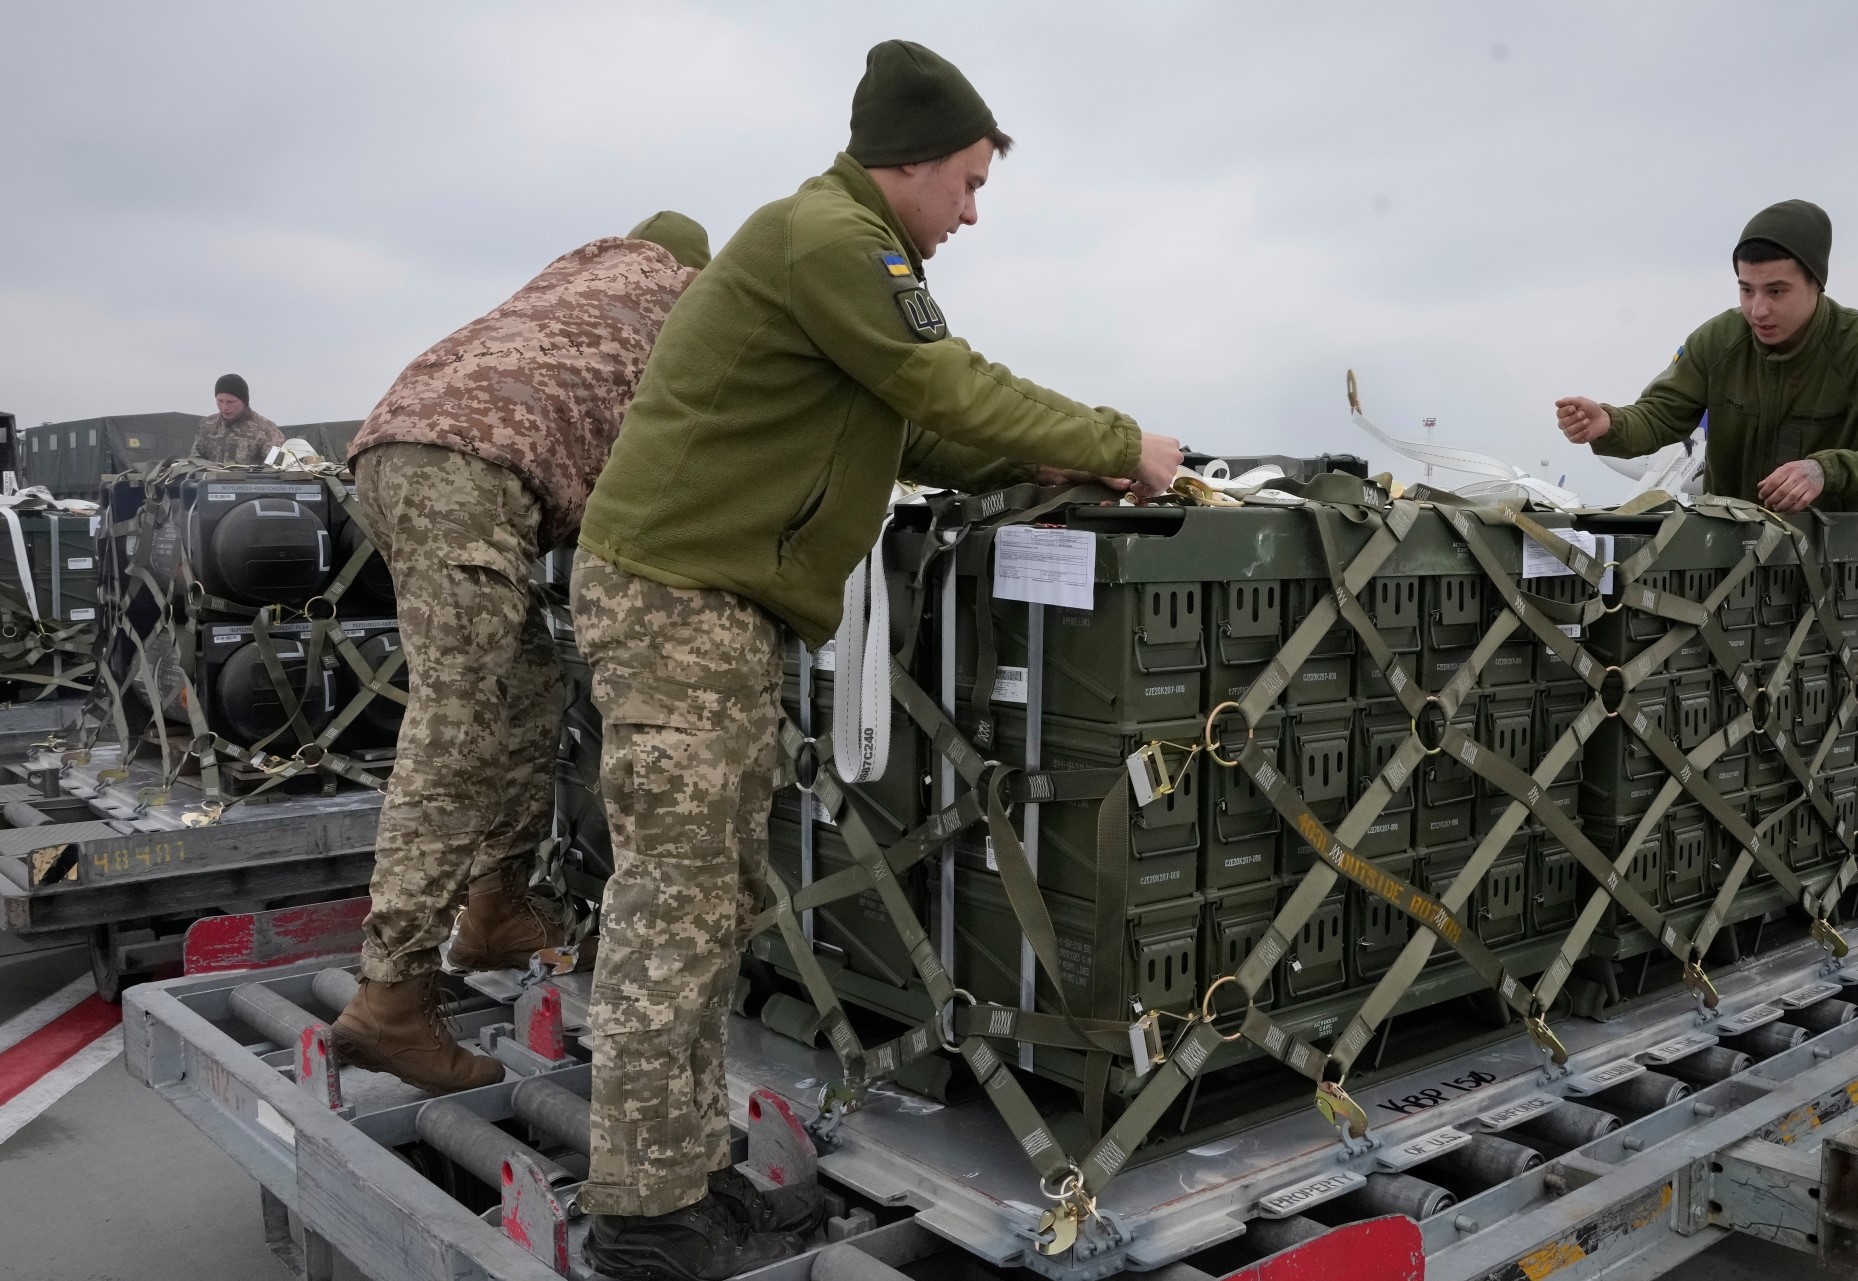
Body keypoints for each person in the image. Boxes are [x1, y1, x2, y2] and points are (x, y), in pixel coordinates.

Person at [568, 40, 1184, 1281]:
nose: (971, 210)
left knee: (717, 901)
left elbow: (917, 432)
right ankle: (642, 1216)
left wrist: (1062, 465)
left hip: (717, 608)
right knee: (676, 910)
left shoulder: (847, 253)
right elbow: (941, 383)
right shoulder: (830, 241)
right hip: (679, 600)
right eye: (965, 182)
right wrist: (1126, 437)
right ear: (905, 164)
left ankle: (687, 1177)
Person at [329, 214, 711, 1095]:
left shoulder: (579, 275)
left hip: (395, 448)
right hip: (470, 470)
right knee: (453, 732)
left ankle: (496, 902)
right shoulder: (684, 299)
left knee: (526, 687)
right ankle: (391, 996)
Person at [1556, 199, 1858, 513]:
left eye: (1776, 291)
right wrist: (1609, 423)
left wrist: (1825, 471)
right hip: (1734, 546)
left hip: (1840, 551)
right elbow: (1660, 415)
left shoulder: (1851, 346)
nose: (1758, 309)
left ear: (1817, 283)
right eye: (1746, 290)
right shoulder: (1718, 342)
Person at [192, 373, 284, 464]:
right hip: (209, 478)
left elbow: (278, 467)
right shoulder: (206, 426)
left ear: (244, 401)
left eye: (231, 402)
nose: (224, 407)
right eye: (220, 401)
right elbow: (194, 461)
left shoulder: (266, 431)